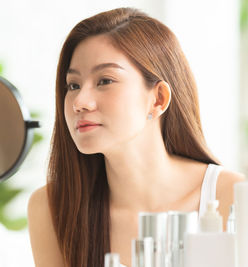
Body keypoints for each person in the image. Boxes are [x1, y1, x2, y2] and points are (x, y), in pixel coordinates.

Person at [27, 7, 245, 267]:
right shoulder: (53, 207)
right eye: (73, 85)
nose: (80, 102)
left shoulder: (233, 196)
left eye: (105, 80)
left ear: (158, 99)